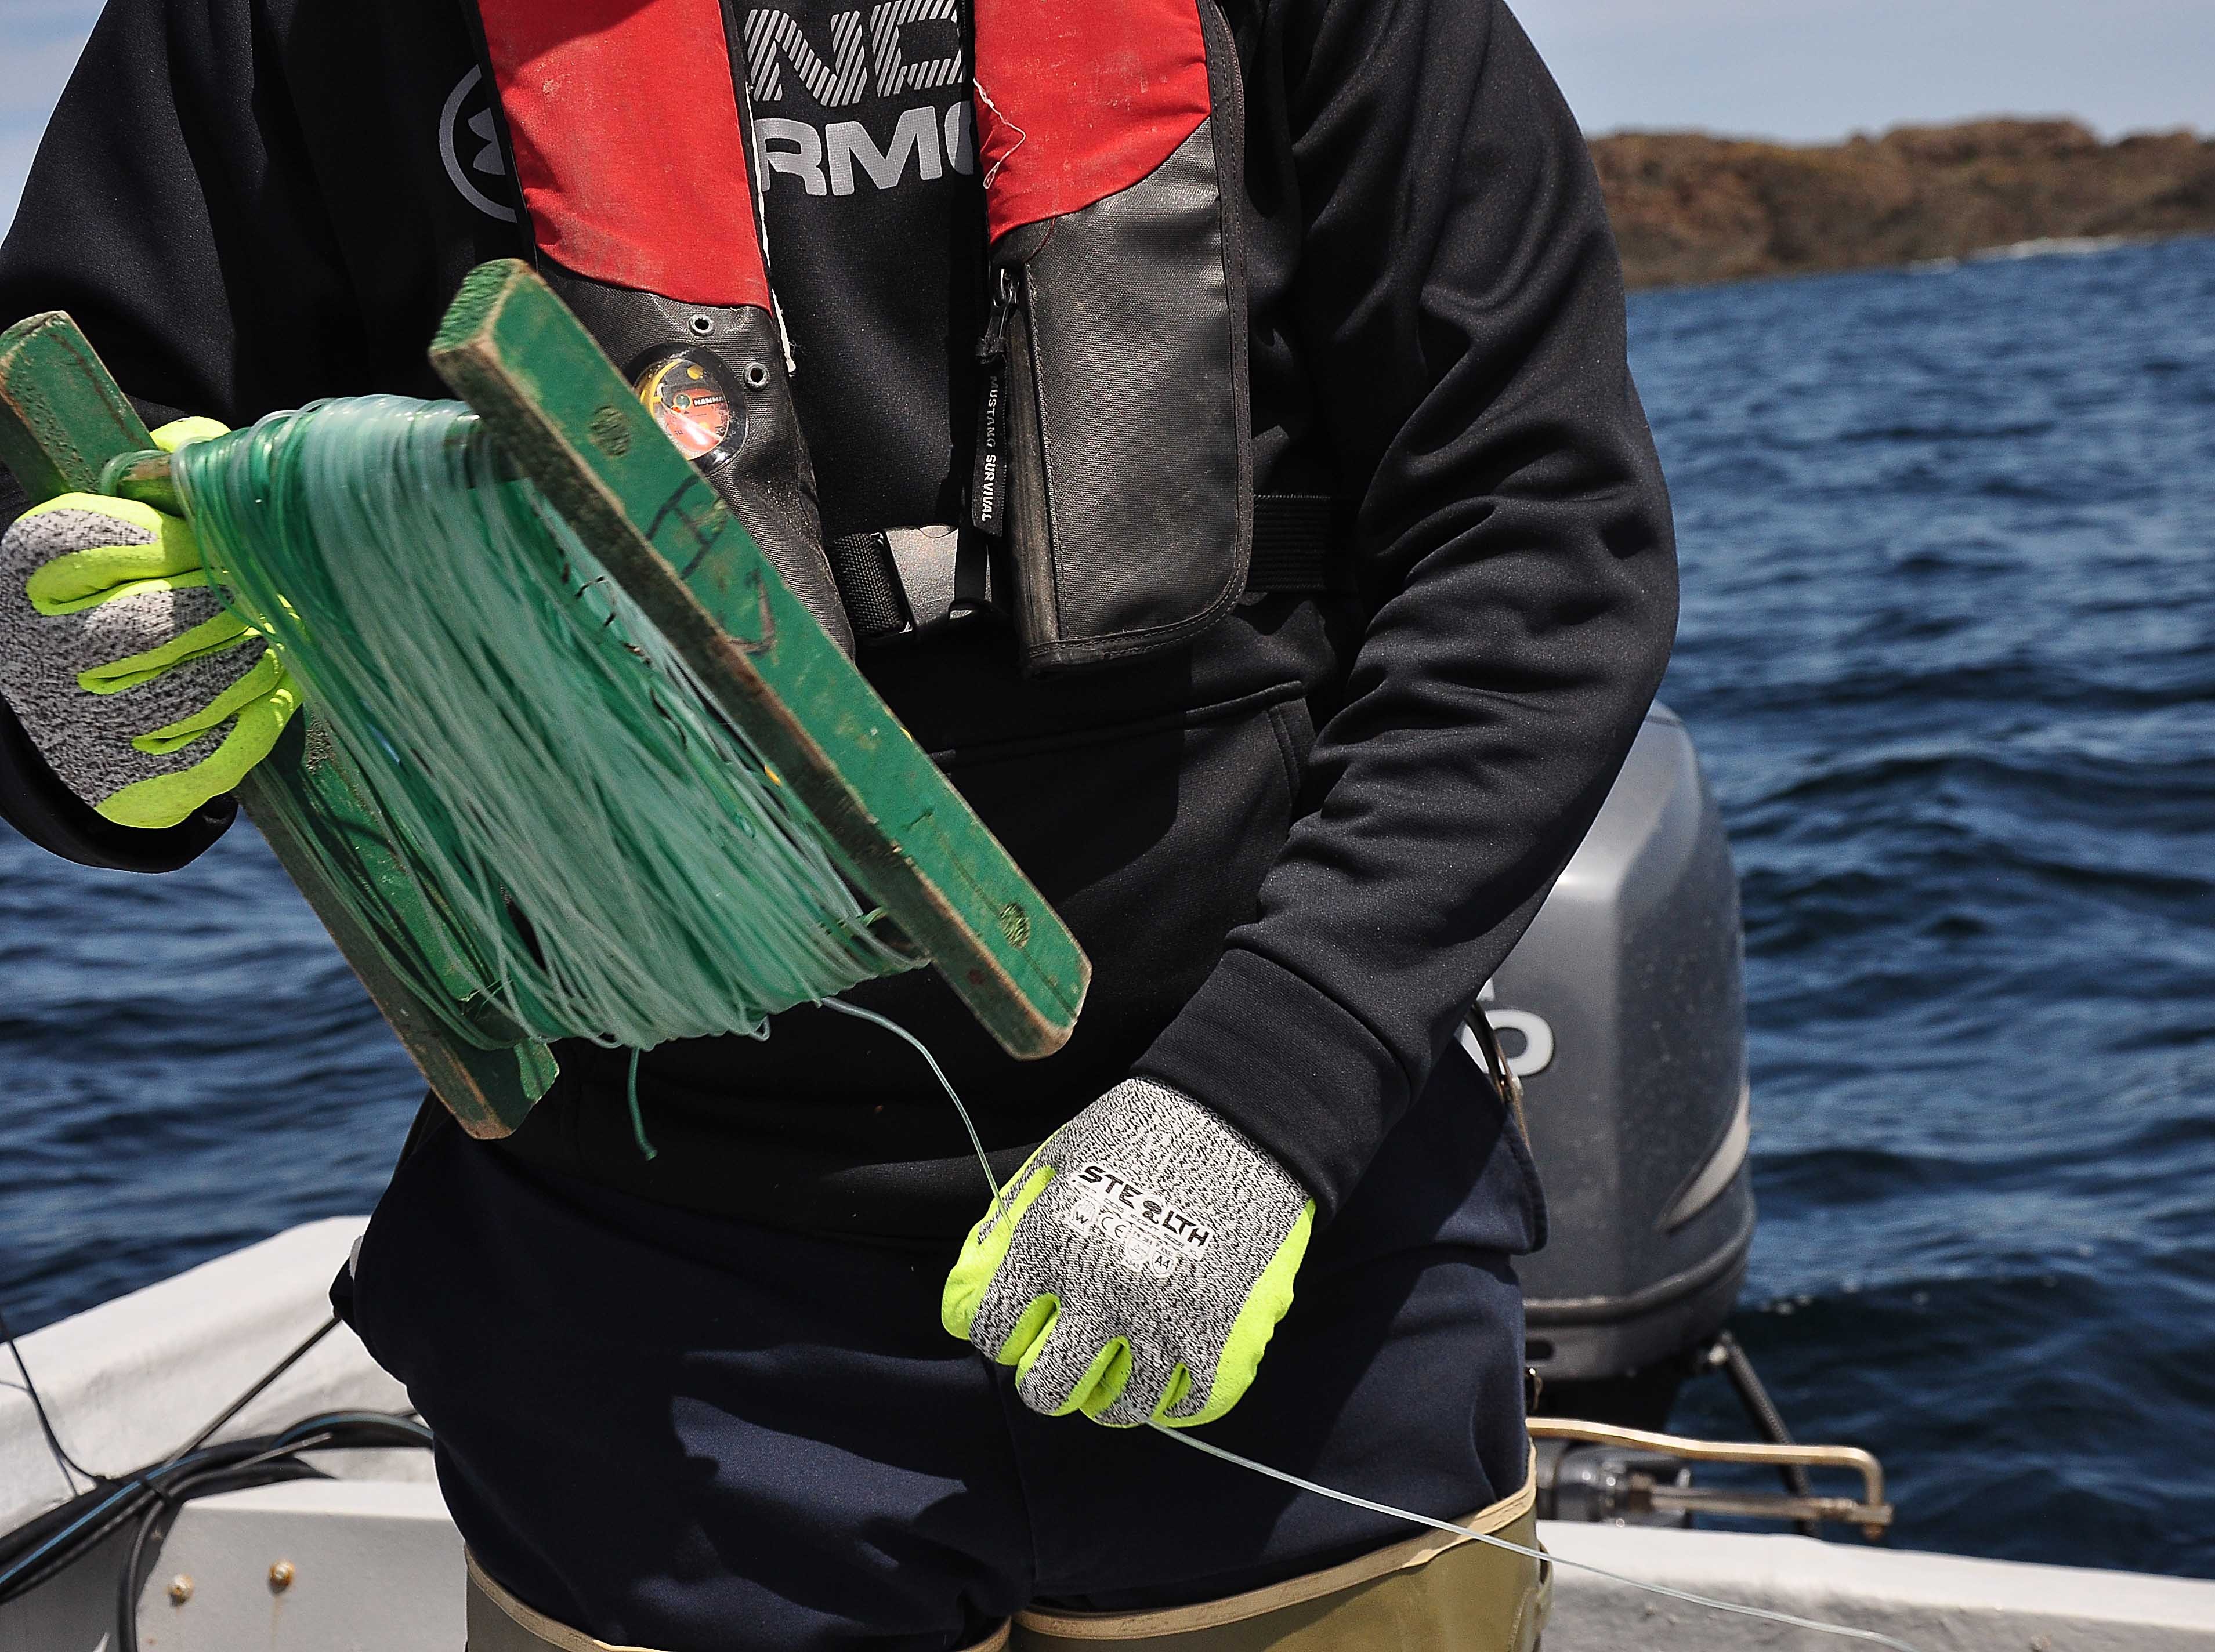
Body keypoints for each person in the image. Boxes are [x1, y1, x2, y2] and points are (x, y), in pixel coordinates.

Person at [0, 0, 1676, 1645]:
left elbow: (1539, 536)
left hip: (1304, 1233)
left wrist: (1271, 1090)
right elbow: (63, 474)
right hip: (643, 1309)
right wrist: (59, 695)